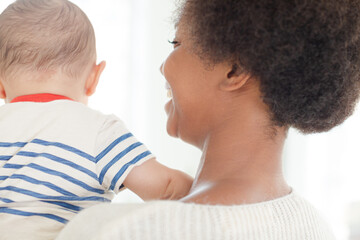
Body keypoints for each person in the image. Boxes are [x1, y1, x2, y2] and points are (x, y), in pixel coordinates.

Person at [56, 0, 360, 239]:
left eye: (175, 44)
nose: (163, 67)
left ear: (235, 70)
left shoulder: (120, 231)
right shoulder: (317, 229)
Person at [0, 0, 193, 239]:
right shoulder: (98, 132)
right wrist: (217, 188)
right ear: (93, 78)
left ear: (0, 85)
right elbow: (165, 188)